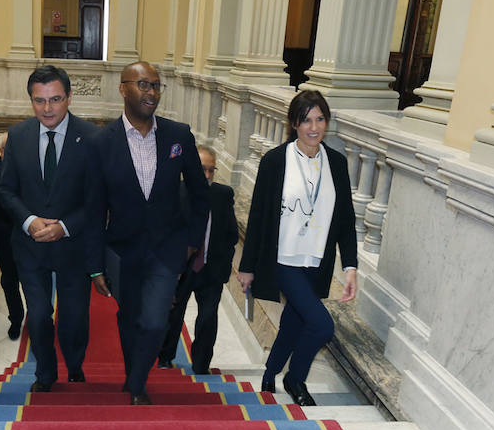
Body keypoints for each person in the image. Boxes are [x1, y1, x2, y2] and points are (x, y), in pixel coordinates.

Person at [85, 61, 209, 405]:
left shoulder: (178, 135)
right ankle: (133, 377)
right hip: (121, 250)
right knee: (129, 318)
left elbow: (200, 194)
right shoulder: (100, 143)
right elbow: (93, 209)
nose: (151, 92)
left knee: (155, 321)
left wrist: (193, 241)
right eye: (143, 84)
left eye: (156, 85)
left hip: (167, 249)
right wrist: (95, 266)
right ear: (122, 89)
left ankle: (137, 383)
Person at [237, 90, 357, 406]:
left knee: (294, 323)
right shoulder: (276, 161)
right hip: (283, 258)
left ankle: (270, 372)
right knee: (321, 325)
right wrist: (247, 266)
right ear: (294, 123)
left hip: (316, 260)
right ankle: (295, 378)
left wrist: (350, 266)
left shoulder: (337, 163)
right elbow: (259, 215)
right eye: (306, 120)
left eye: (320, 119)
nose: (313, 128)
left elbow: (346, 219)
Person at [0, 65, 97, 392]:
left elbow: (99, 198)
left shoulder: (93, 137)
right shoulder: (18, 136)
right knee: (38, 314)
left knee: (74, 318)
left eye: (55, 99)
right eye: (39, 100)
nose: (47, 108)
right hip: (30, 245)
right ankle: (45, 373)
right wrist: (29, 221)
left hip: (73, 246)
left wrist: (65, 227)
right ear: (31, 100)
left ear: (69, 97)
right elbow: (5, 190)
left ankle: (75, 364)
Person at [159, 146, 238, 374]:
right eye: (202, 169)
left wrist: (224, 263)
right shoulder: (174, 193)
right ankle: (165, 358)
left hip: (211, 269)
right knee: (174, 314)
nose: (207, 175)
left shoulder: (223, 195)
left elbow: (231, 234)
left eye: (211, 170)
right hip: (181, 268)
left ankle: (201, 365)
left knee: (208, 318)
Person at [0, 134, 25, 341]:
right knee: (10, 281)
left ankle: (39, 317)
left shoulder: (27, 169)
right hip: (2, 238)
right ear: (1, 151)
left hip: (27, 235)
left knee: (32, 280)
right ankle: (16, 319)